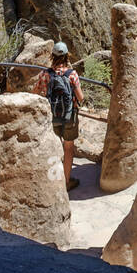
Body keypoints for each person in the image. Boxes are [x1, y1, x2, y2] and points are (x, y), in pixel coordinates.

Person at [46, 42, 83, 192]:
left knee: (54, 148)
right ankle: (66, 182)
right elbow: (80, 97)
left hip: (52, 116)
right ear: (67, 56)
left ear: (52, 56)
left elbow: (38, 94)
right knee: (68, 149)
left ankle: (55, 184)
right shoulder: (72, 74)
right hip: (69, 116)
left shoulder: (46, 74)